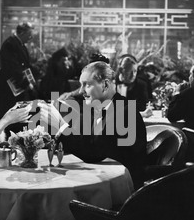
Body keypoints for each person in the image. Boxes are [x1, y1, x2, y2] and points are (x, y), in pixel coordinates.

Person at [38, 61, 148, 189]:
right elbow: (85, 142)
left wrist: (61, 127)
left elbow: (93, 153)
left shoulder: (125, 111)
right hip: (100, 177)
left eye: (86, 85)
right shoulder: (98, 109)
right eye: (81, 85)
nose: (80, 91)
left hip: (123, 191)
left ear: (105, 84)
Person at [0, 22, 37, 118]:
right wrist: (26, 84)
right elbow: (13, 69)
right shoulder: (10, 44)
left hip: (19, 87)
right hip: (11, 88)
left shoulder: (20, 44)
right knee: (11, 115)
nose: (31, 37)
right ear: (22, 33)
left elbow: (26, 65)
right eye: (29, 35)